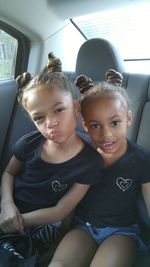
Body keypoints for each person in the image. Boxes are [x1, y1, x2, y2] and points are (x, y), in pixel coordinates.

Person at [0, 53, 102, 259]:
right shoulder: (29, 143)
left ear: (76, 107)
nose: (50, 123)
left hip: (42, 223)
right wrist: (7, 205)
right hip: (9, 209)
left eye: (59, 110)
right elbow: (9, 173)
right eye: (39, 118)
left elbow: (60, 211)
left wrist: (16, 221)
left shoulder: (90, 161)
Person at [48, 69, 150, 267]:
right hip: (83, 228)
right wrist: (61, 232)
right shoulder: (81, 155)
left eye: (115, 123)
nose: (106, 134)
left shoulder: (142, 159)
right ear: (85, 126)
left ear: (128, 119)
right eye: (96, 125)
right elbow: (71, 200)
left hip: (121, 232)